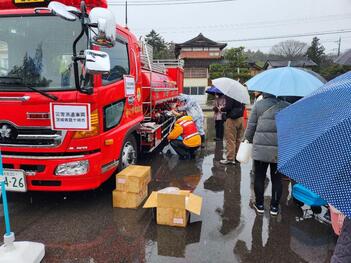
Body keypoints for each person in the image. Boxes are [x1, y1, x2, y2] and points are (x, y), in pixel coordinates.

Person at [244, 93, 289, 215]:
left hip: (260, 149)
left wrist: (247, 139)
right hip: (279, 150)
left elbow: (251, 126)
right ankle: (274, 207)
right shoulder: (287, 106)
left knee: (259, 177)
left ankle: (259, 205)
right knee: (277, 179)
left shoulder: (258, 105)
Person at [219, 95, 245, 165]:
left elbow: (228, 107)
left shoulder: (230, 95)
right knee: (238, 139)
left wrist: (221, 109)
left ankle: (230, 158)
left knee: (230, 139)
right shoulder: (241, 95)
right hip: (241, 119)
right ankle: (237, 158)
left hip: (232, 119)